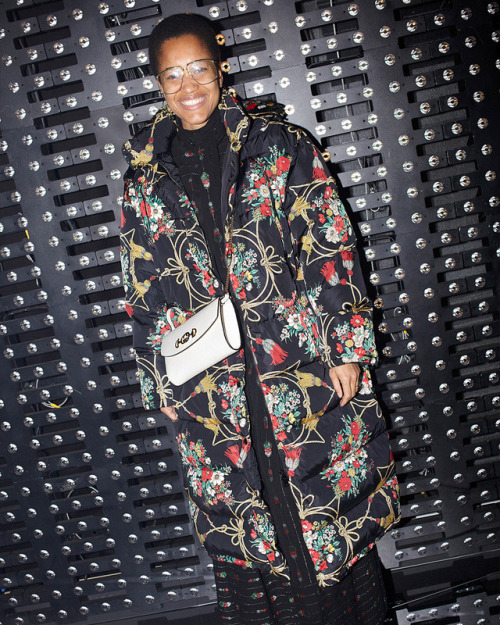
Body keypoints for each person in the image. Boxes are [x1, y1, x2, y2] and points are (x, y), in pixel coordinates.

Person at [120, 12, 400, 625]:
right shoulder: (144, 179)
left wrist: (347, 347)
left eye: (198, 69)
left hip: (295, 362)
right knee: (250, 523)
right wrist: (160, 383)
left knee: (323, 510)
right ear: (158, 85)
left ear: (220, 68)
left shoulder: (281, 145)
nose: (188, 86)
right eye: (173, 76)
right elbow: (143, 288)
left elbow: (330, 245)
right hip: (212, 381)